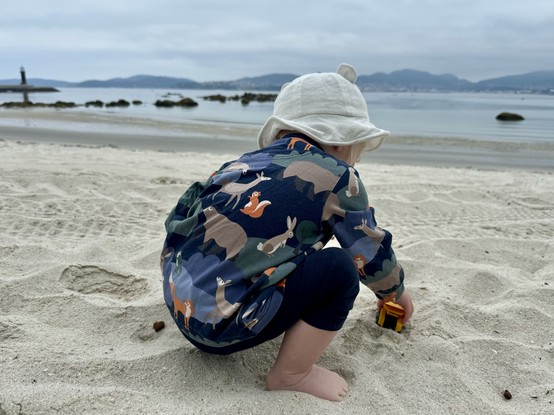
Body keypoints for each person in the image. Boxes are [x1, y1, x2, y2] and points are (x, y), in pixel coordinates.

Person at [160, 63, 414, 402]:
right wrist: (394, 294)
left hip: (180, 300)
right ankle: (292, 374)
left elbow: (184, 216)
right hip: (220, 330)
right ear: (341, 141)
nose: (357, 160)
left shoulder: (242, 164)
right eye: (359, 148)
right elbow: (369, 251)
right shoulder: (340, 177)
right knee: (338, 269)